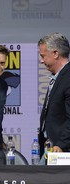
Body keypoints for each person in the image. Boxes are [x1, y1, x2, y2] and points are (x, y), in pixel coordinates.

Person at [38, 32, 70, 162]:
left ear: (55, 54)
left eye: (43, 56)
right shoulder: (58, 77)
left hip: (62, 151)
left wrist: (61, 144)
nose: (41, 60)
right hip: (51, 149)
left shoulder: (68, 78)